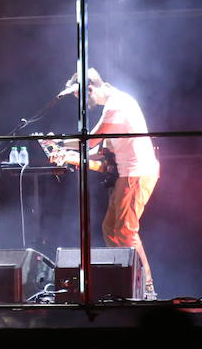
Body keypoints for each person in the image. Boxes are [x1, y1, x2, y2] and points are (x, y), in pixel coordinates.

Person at [53, 68, 160, 299]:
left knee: (125, 231)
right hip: (127, 174)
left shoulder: (116, 105)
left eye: (80, 97)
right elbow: (100, 156)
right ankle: (125, 282)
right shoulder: (115, 104)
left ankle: (147, 289)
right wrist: (66, 155)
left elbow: (91, 140)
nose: (82, 103)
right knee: (110, 229)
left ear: (89, 90)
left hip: (136, 174)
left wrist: (59, 142)